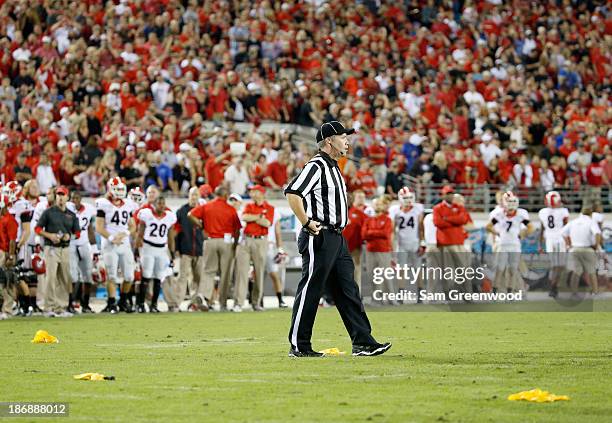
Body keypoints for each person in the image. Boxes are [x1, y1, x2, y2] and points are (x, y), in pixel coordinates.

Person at [284, 121, 391, 357]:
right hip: (319, 234)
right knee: (311, 288)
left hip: (337, 237)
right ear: (329, 141)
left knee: (347, 290)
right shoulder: (317, 165)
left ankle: (363, 342)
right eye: (343, 137)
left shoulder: (334, 166)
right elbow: (292, 193)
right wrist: (306, 222)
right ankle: (299, 345)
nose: (347, 141)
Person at [188, 186, 242, 311]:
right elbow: (237, 229)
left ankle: (204, 296)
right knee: (225, 273)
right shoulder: (230, 209)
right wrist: (235, 245)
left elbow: (190, 214)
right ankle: (222, 303)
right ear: (225, 195)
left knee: (208, 271)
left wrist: (201, 226)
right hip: (226, 242)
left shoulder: (207, 206)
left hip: (210, 240)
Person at [35, 186, 80, 317]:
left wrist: (69, 236)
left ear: (67, 197)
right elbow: (37, 229)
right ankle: (48, 308)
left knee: (64, 278)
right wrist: (50, 236)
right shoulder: (48, 212)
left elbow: (77, 233)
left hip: (65, 248)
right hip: (51, 248)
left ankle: (61, 307)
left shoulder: (71, 215)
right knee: (50, 278)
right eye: (58, 195)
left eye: (63, 195)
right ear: (56, 196)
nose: (60, 197)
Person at [95, 177, 136, 313]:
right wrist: (112, 237)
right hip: (109, 243)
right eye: (117, 189)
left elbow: (132, 226)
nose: (119, 192)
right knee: (111, 275)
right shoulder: (103, 203)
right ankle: (111, 303)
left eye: (121, 189)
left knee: (129, 276)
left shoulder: (128, 204)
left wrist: (124, 234)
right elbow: (99, 227)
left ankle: (123, 301)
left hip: (124, 243)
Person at [234, 185, 273, 312]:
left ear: (261, 193)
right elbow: (244, 217)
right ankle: (238, 303)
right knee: (242, 272)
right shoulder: (249, 206)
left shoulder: (269, 207)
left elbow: (267, 223)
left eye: (255, 191)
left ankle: (256, 303)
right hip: (247, 239)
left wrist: (253, 218)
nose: (252, 193)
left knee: (259, 272)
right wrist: (259, 217)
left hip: (261, 241)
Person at [134, 196, 177, 313]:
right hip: (148, 248)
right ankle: (140, 304)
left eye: (163, 203)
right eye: (159, 203)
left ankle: (154, 304)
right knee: (146, 276)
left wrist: (172, 254)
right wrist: (136, 250)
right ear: (154, 204)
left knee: (159, 277)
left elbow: (170, 237)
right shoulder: (146, 214)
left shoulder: (169, 216)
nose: (161, 206)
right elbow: (140, 233)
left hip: (162, 249)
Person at [486, 192, 534, 294]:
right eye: (509, 202)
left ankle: (511, 292)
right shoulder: (499, 214)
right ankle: (495, 290)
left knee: (513, 269)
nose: (510, 205)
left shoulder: (520, 214)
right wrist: (497, 233)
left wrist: (522, 234)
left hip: (514, 245)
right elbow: (488, 226)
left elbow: (531, 227)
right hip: (502, 244)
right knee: (500, 269)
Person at [166, 187, 204, 312]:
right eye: (192, 195)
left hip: (199, 250)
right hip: (185, 250)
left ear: (199, 196)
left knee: (197, 278)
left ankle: (194, 303)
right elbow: (175, 231)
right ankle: (177, 303)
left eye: (196, 195)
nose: (194, 197)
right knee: (182, 278)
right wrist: (176, 249)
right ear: (188, 196)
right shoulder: (182, 211)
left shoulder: (203, 210)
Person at [432, 185, 472, 295]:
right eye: (447, 193)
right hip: (445, 242)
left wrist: (447, 219)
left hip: (459, 241)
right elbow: (437, 223)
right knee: (448, 270)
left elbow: (463, 219)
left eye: (451, 193)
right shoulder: (437, 208)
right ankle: (448, 293)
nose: (450, 195)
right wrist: (455, 221)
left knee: (463, 268)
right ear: (443, 195)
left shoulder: (459, 207)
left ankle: (466, 293)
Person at [390, 187, 425, 300]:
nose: (409, 200)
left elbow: (421, 228)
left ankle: (420, 293)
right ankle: (401, 293)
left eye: (410, 197)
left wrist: (422, 242)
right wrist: (393, 247)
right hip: (401, 244)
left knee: (418, 269)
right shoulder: (395, 210)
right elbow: (392, 230)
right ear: (400, 198)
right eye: (406, 197)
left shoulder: (418, 208)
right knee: (401, 269)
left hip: (415, 243)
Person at [67, 191, 97, 313]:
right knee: (73, 277)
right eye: (73, 198)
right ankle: (70, 303)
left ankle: (85, 304)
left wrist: (94, 248)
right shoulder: (67, 209)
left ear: (81, 199)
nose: (75, 200)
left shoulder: (88, 209)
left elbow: (89, 228)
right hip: (70, 244)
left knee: (88, 276)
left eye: (77, 198)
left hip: (84, 244)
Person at [562, 205, 602, 296]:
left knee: (576, 272)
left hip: (574, 249)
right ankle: (595, 292)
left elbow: (563, 233)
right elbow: (597, 233)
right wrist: (596, 245)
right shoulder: (591, 222)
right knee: (592, 271)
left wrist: (568, 244)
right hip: (587, 249)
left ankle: (574, 292)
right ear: (590, 214)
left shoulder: (574, 222)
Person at [362, 197, 395, 303]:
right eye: (375, 204)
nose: (377, 206)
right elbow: (363, 235)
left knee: (386, 275)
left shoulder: (388, 219)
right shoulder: (368, 220)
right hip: (370, 250)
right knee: (372, 275)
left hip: (384, 250)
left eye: (379, 204)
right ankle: (376, 298)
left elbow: (385, 234)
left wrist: (371, 233)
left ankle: (391, 298)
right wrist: (377, 232)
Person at [538, 191, 570, 298]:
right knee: (559, 265)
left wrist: (540, 244)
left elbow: (542, 229)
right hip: (560, 239)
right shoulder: (563, 211)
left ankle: (552, 286)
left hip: (549, 240)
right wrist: (569, 243)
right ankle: (553, 287)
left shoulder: (543, 212)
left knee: (554, 265)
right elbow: (567, 228)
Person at [342, 190, 367, 291]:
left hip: (355, 248)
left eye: (349, 198)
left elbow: (366, 226)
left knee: (356, 270)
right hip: (339, 248)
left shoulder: (358, 213)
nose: (347, 200)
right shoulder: (336, 212)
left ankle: (357, 293)